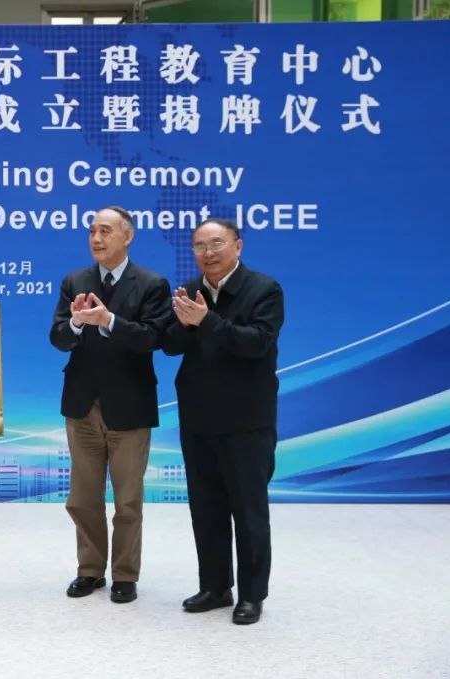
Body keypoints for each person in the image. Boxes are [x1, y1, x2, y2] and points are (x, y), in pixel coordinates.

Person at [161, 218, 284, 625]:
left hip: (246, 421)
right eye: (199, 246)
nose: (208, 253)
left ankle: (251, 595)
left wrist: (207, 321)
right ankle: (215, 587)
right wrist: (183, 323)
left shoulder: (264, 289)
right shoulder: (190, 290)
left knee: (248, 512)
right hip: (198, 418)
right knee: (206, 508)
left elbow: (256, 343)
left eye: (216, 244)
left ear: (238, 246)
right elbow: (170, 346)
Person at [49, 206, 172, 603]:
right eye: (92, 232)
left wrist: (109, 321)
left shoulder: (151, 284)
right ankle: (89, 570)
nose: (97, 239)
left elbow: (152, 338)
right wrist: (76, 323)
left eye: (105, 231)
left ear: (127, 236)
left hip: (129, 406)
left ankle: (124, 574)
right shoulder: (75, 281)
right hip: (82, 405)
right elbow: (58, 338)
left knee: (128, 500)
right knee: (82, 499)